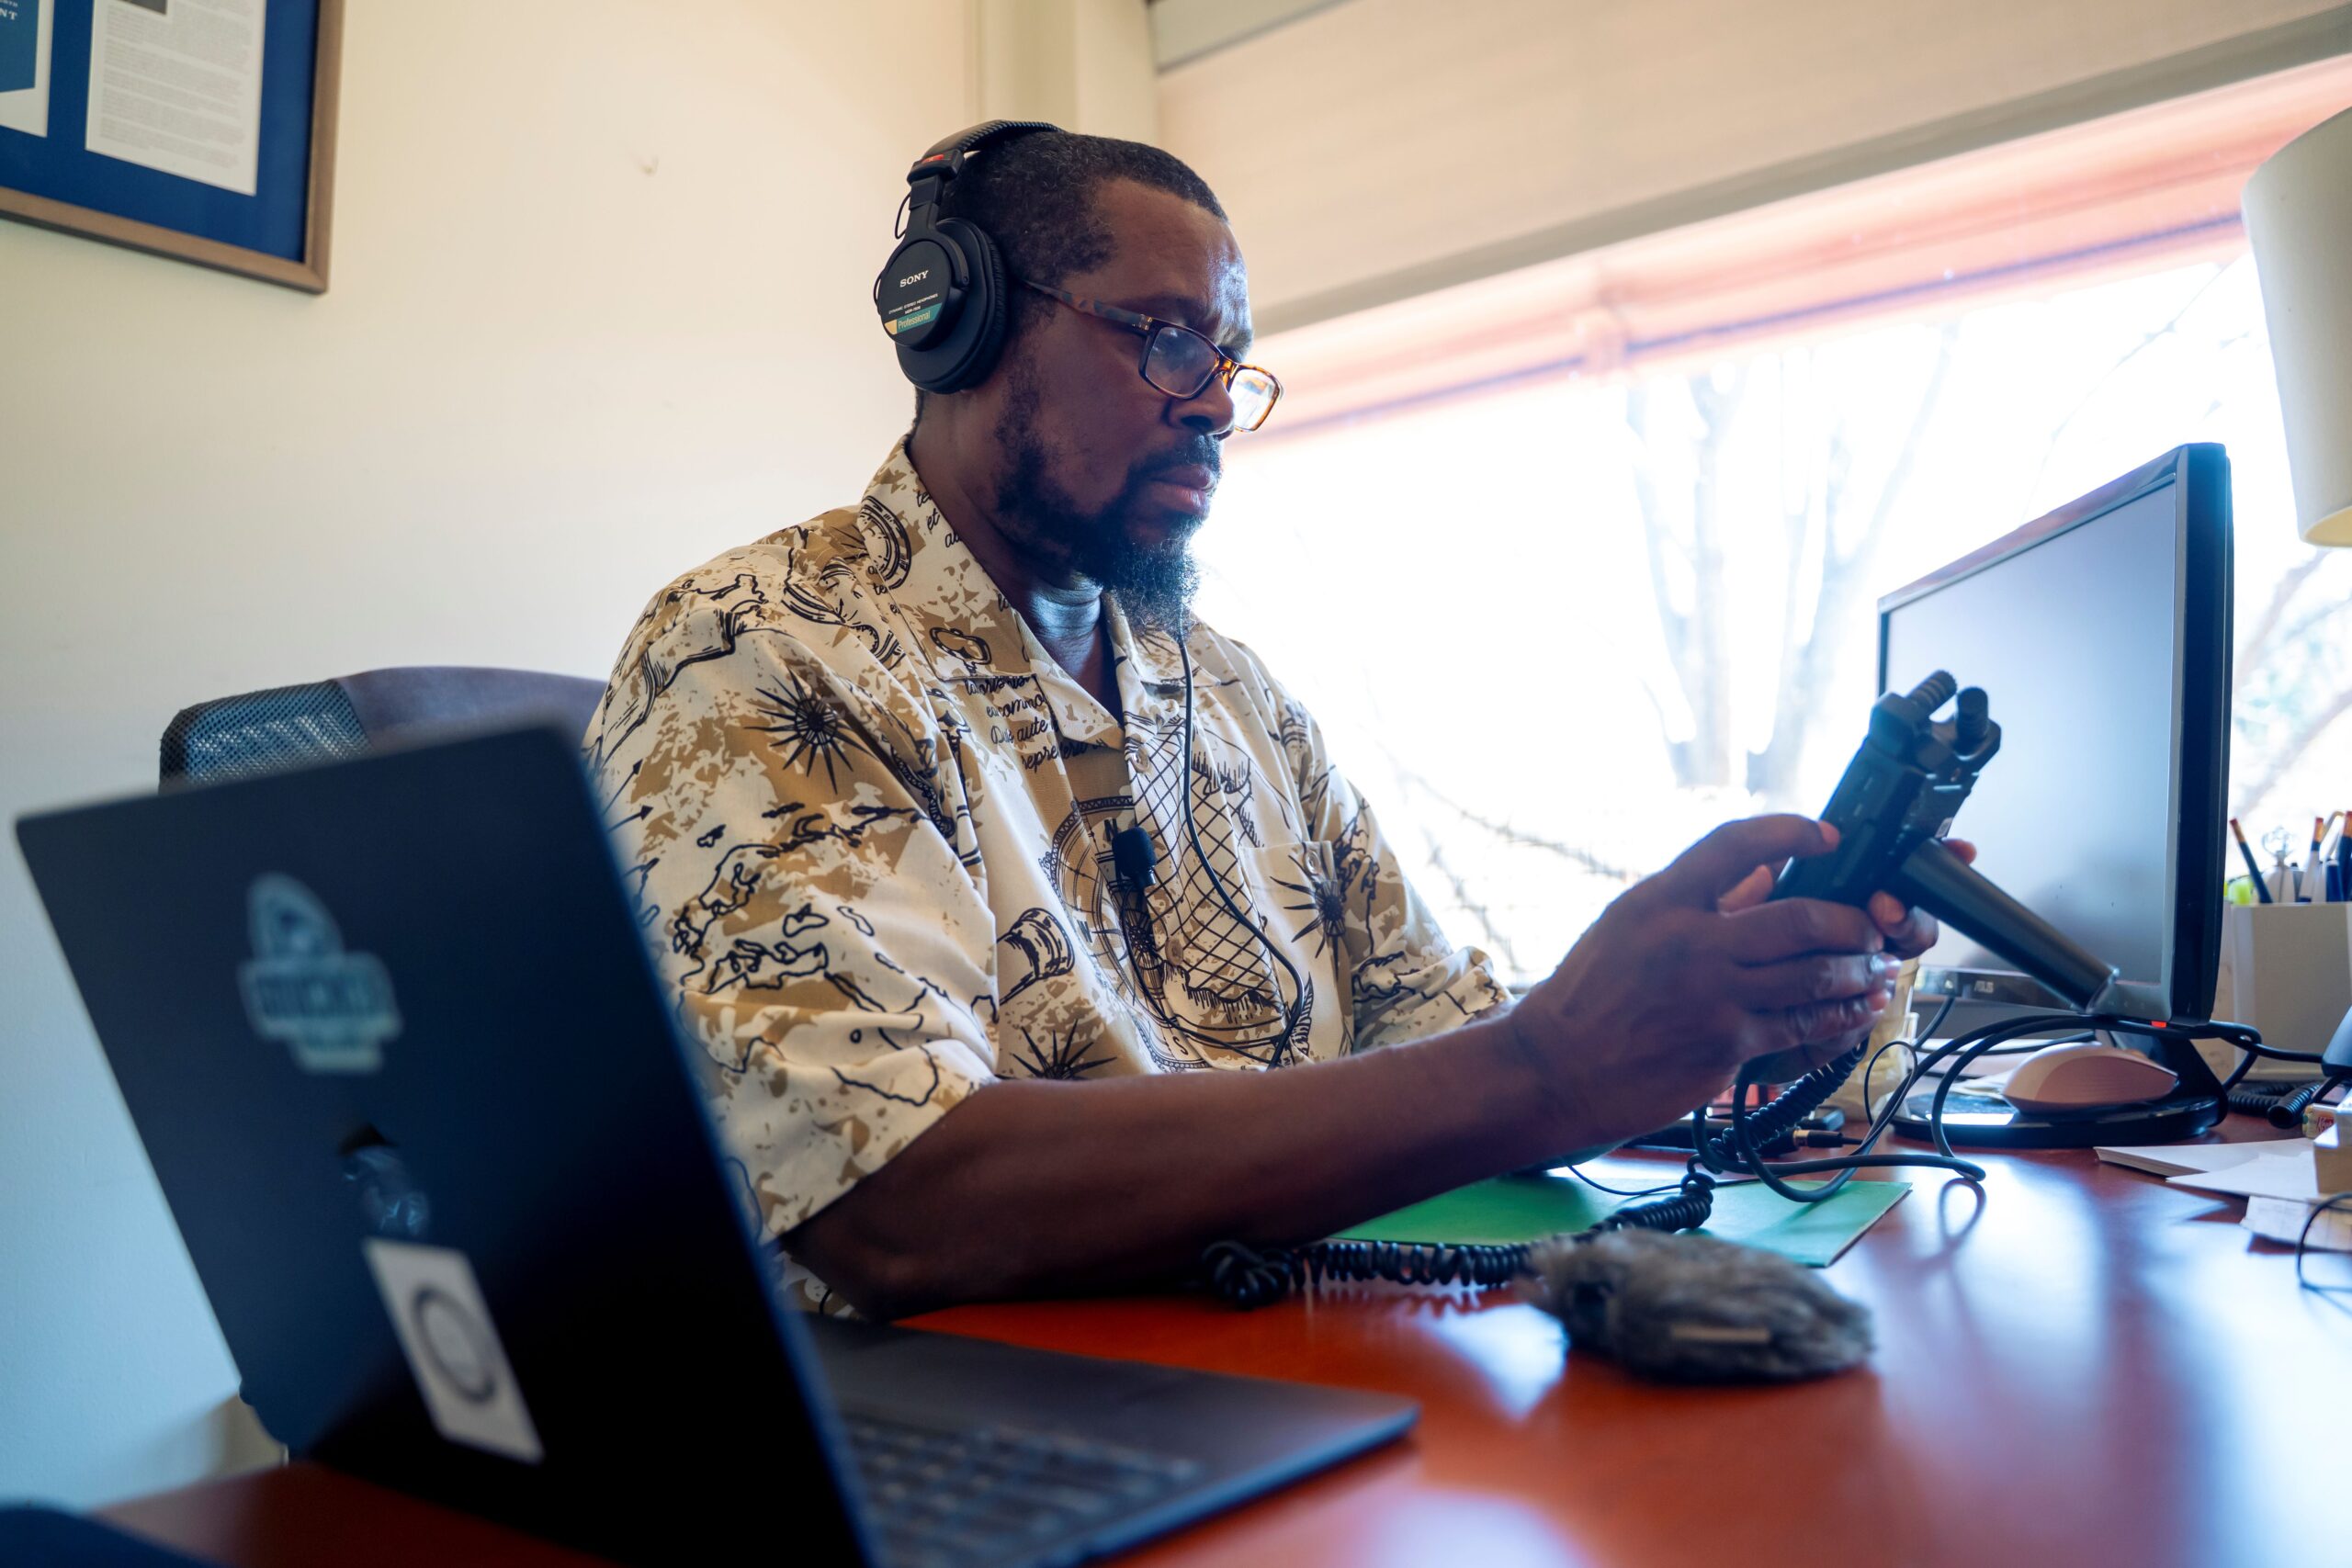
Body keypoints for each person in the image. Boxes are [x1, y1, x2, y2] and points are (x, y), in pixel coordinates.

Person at [584, 127, 1950, 1320]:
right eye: (1168, 339)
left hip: (1269, 1368)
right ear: (968, 327)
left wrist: (1719, 1004)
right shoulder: (761, 649)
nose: (1220, 404)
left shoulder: (1229, 694)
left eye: (1232, 356)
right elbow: (897, 1203)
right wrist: (1547, 1068)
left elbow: (1439, 1040)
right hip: (953, 1435)